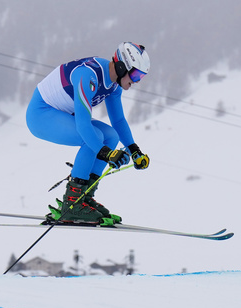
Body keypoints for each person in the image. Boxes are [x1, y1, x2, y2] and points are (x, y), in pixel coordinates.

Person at [26, 42, 151, 225]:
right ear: (122, 66)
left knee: (111, 136)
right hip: (41, 114)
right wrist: (107, 153)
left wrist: (134, 150)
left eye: (141, 76)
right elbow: (83, 125)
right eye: (136, 74)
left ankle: (84, 196)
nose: (137, 80)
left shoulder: (114, 84)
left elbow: (118, 122)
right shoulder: (88, 75)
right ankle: (72, 203)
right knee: (95, 138)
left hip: (61, 114)